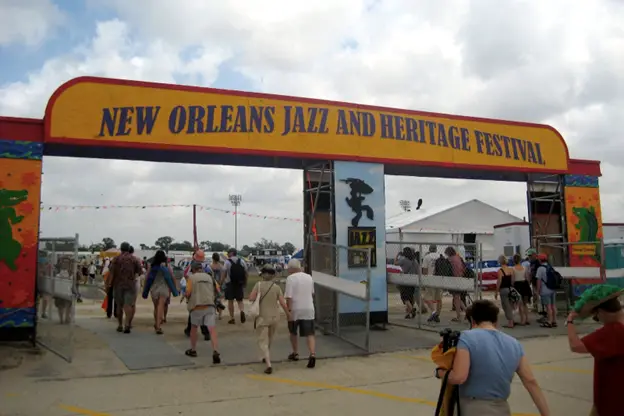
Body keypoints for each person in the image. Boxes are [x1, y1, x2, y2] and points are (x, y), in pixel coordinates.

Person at [435, 300, 550, 416]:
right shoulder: (514, 344)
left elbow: (459, 377)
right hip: (501, 408)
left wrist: (440, 373)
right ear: (496, 321)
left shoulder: (466, 338)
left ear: (472, 320)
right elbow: (530, 381)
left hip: (471, 407)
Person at [566, 284, 624, 416]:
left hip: (612, 400)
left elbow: (575, 345)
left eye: (596, 316)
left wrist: (570, 321)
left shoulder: (612, 331)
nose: (597, 320)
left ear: (602, 312)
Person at [249, 263, 290, 374]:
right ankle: (266, 357)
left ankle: (268, 364)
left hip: (262, 317)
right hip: (274, 317)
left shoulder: (258, 285)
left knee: (263, 341)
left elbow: (251, 298)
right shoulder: (276, 287)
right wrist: (288, 314)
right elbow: (282, 303)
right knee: (270, 339)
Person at [184, 261, 221, 363]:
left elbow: (188, 292)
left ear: (193, 269)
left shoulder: (191, 278)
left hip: (197, 306)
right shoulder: (210, 277)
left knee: (194, 328)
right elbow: (218, 290)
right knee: (212, 329)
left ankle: (193, 349)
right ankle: (215, 350)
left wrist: (186, 296)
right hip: (210, 305)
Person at [285, 259, 316, 368]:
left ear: (292, 269)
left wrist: (289, 310)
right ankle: (312, 354)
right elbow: (312, 293)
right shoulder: (309, 277)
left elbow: (289, 296)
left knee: (293, 332)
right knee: (310, 333)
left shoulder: (290, 279)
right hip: (308, 308)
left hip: (295, 309)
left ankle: (295, 353)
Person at [108, 242, 142, 333]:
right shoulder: (134, 259)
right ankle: (127, 324)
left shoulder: (116, 259)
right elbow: (140, 271)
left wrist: (109, 284)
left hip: (118, 285)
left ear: (121, 249)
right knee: (128, 305)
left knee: (119, 305)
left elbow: (111, 272)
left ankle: (120, 325)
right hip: (130, 285)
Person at [146, 250, 174, 334]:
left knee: (156, 307)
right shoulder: (167, 266)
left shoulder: (152, 266)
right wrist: (175, 288)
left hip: (154, 288)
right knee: (161, 306)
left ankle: (156, 323)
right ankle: (158, 326)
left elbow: (147, 277)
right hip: (164, 288)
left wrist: (145, 289)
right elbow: (172, 277)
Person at [223, 248, 248, 324]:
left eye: (228, 253)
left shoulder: (227, 262)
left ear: (232, 253)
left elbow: (224, 273)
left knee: (230, 301)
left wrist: (221, 282)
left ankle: (232, 318)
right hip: (239, 283)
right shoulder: (242, 261)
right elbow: (246, 273)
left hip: (230, 283)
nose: (227, 254)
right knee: (240, 300)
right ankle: (242, 311)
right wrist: (245, 283)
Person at [395, 247, 421, 319]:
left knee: (405, 298)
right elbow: (418, 271)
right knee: (410, 298)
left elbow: (395, 263)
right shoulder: (415, 261)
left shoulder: (403, 259)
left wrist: (397, 255)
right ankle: (408, 314)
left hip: (404, 281)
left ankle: (412, 310)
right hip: (412, 281)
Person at [535, 254, 557, 328]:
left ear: (540, 260)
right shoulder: (550, 267)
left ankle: (549, 322)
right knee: (553, 306)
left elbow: (538, 281)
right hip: (552, 289)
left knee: (548, 307)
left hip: (545, 290)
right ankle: (554, 321)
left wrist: (537, 291)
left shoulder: (540, 269)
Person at [445, 246, 466, 323]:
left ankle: (458, 316)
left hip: (454, 279)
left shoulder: (450, 259)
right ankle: (467, 313)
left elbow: (447, 270)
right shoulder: (458, 257)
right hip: (460, 278)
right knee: (458, 298)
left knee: (456, 299)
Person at [495, 254, 515, 328]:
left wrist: (496, 291)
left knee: (505, 306)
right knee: (509, 305)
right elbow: (513, 280)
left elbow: (499, 281)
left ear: (500, 262)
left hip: (503, 289)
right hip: (510, 288)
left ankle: (510, 322)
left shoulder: (500, 271)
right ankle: (511, 320)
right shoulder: (511, 269)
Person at [422, 244, 442, 323]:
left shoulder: (427, 257)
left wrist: (424, 280)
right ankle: (437, 315)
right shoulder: (440, 256)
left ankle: (433, 312)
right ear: (436, 249)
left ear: (429, 249)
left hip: (430, 279)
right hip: (439, 279)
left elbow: (425, 270)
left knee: (427, 298)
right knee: (438, 299)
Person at [512, 253, 532, 326]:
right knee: (525, 304)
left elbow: (513, 280)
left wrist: (512, 286)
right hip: (525, 285)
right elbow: (527, 278)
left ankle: (522, 320)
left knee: (520, 304)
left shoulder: (513, 269)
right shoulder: (524, 268)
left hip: (517, 286)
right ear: (520, 260)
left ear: (513, 260)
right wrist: (528, 285)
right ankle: (527, 319)